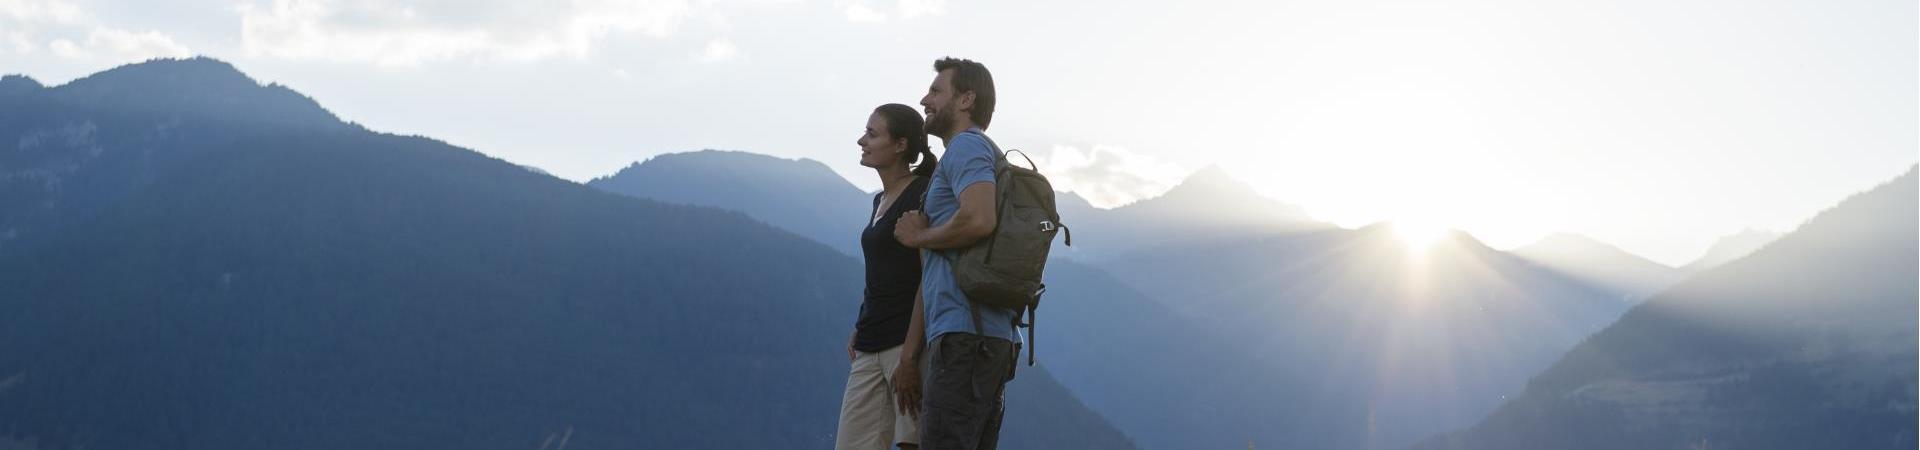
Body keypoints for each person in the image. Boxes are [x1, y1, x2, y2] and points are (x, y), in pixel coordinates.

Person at [892, 57, 1018, 450]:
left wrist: (921, 238)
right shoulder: (976, 151)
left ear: (965, 100)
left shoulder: (967, 146)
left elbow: (979, 218)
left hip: (966, 337)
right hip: (985, 335)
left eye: (935, 91)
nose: (924, 99)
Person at [836, 103, 938, 450]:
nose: (861, 140)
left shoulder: (922, 193)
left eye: (872, 133)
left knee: (910, 443)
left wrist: (909, 358)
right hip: (869, 341)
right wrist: (861, 321)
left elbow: (930, 278)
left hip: (905, 344)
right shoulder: (880, 199)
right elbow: (884, 271)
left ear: (900, 145)